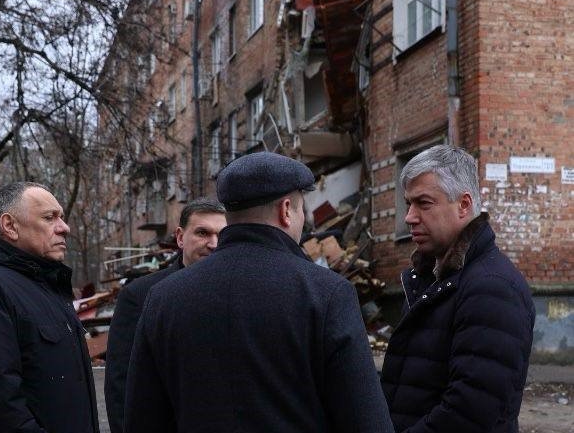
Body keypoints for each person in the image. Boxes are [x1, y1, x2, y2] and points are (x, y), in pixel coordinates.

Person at [124, 152, 393, 433]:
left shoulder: (164, 297)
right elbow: (367, 421)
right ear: (286, 210)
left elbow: (142, 419)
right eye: (302, 209)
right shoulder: (326, 293)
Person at [381, 145, 535, 432]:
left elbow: (469, 412)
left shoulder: (492, 288)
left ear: (464, 205)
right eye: (408, 204)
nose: (409, 217)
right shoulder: (427, 279)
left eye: (424, 203)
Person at [0, 182, 99, 433]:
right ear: (10, 226)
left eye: (61, 217)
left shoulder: (47, 285)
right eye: (49, 217)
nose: (64, 227)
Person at [104, 197, 226, 433]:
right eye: (202, 233)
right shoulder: (140, 295)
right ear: (180, 237)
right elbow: (120, 385)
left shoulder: (238, 291)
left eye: (221, 235)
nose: (213, 244)